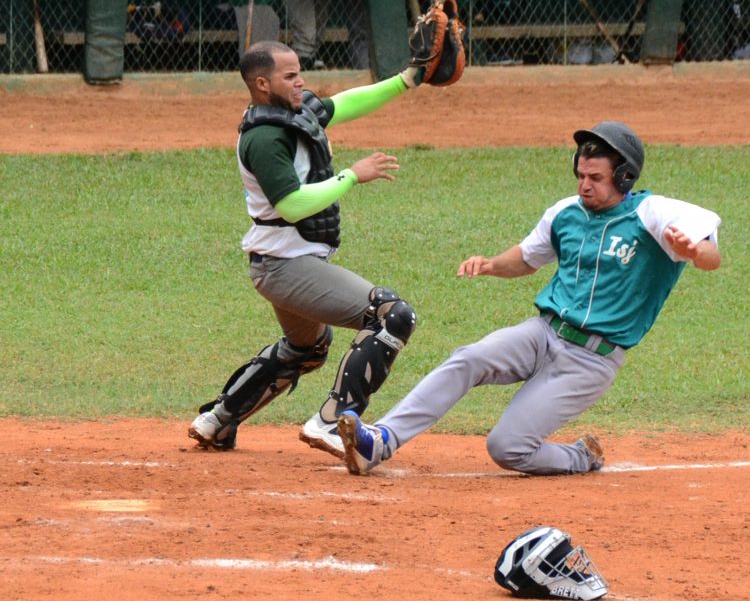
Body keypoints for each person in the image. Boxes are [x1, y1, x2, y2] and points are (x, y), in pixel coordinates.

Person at [338, 121, 722, 476]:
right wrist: (490, 264)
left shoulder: (655, 214)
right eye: (581, 176)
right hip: (541, 333)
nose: (584, 186)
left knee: (507, 448)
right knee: (468, 358)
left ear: (624, 177)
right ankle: (380, 442)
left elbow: (711, 256)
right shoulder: (566, 214)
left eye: (596, 178)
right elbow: (525, 258)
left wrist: (692, 250)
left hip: (590, 361)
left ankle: (581, 457)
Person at [188, 40, 427, 456]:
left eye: (299, 72)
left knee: (307, 348)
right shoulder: (263, 139)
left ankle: (217, 421)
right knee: (393, 316)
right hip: (284, 267)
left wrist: (406, 80)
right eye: (290, 76)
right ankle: (332, 422)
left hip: (284, 262)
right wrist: (353, 175)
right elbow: (291, 204)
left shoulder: (294, 111)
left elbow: (344, 104)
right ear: (262, 84)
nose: (300, 82)